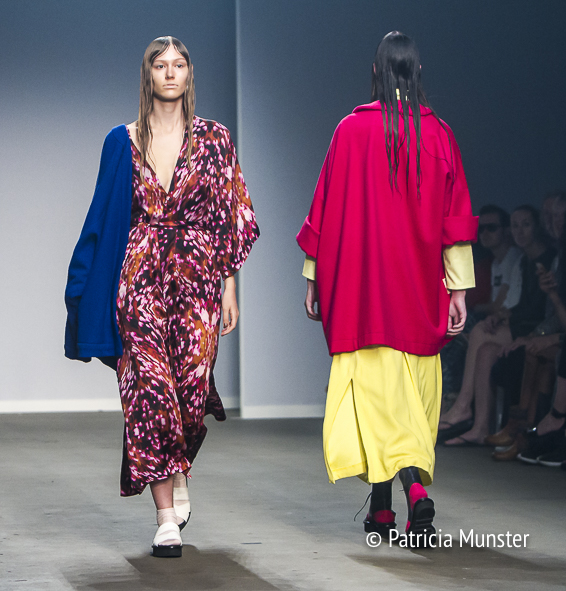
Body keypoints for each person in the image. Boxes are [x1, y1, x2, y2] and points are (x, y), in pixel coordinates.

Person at [65, 36, 258, 558]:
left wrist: (229, 283)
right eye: (160, 65)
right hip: (140, 277)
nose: (170, 73)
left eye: (179, 64)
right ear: (147, 75)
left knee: (190, 395)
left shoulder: (214, 139)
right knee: (149, 392)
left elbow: (230, 214)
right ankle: (165, 517)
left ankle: (179, 467)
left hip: (198, 280)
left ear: (189, 74)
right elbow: (104, 214)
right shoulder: (122, 140)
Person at [298, 31, 476, 546]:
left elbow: (324, 212)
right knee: (407, 404)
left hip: (361, 295)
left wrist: (313, 277)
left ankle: (410, 494)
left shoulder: (350, 132)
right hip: (418, 294)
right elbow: (455, 220)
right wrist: (459, 289)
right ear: (418, 74)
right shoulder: (439, 136)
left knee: (375, 404)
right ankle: (383, 509)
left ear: (375, 72)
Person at [440, 205, 556, 445]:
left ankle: (462, 405)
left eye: (526, 224)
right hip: (524, 323)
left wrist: (506, 317)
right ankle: (481, 427)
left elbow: (539, 309)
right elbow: (522, 304)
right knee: (485, 352)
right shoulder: (525, 260)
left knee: (479, 332)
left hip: (538, 328)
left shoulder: (547, 258)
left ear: (537, 227)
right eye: (516, 225)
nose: (519, 231)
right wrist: (503, 315)